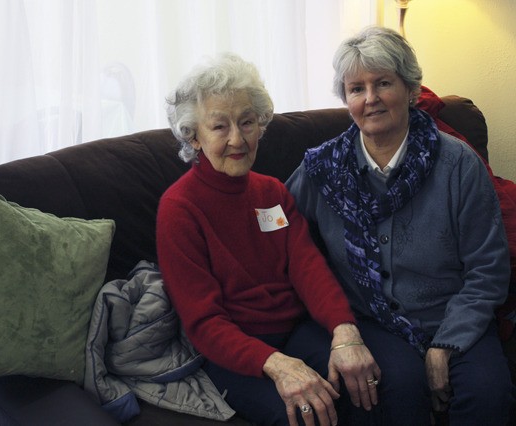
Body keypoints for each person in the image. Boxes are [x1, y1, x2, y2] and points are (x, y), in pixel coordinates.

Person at [286, 26, 513, 425]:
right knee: (396, 392)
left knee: (489, 398)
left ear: (410, 90)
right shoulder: (321, 170)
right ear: (346, 99)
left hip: (455, 318)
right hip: (370, 323)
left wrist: (445, 345)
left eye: (383, 83)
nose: (370, 99)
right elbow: (279, 234)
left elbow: (487, 270)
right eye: (356, 88)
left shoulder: (459, 165)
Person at [156, 52, 380, 426]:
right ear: (192, 136)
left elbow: (308, 267)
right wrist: (277, 365)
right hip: (232, 351)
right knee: (304, 414)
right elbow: (204, 322)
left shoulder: (272, 192)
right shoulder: (179, 209)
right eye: (219, 127)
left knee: (367, 384)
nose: (237, 139)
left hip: (295, 329)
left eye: (247, 122)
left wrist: (344, 330)